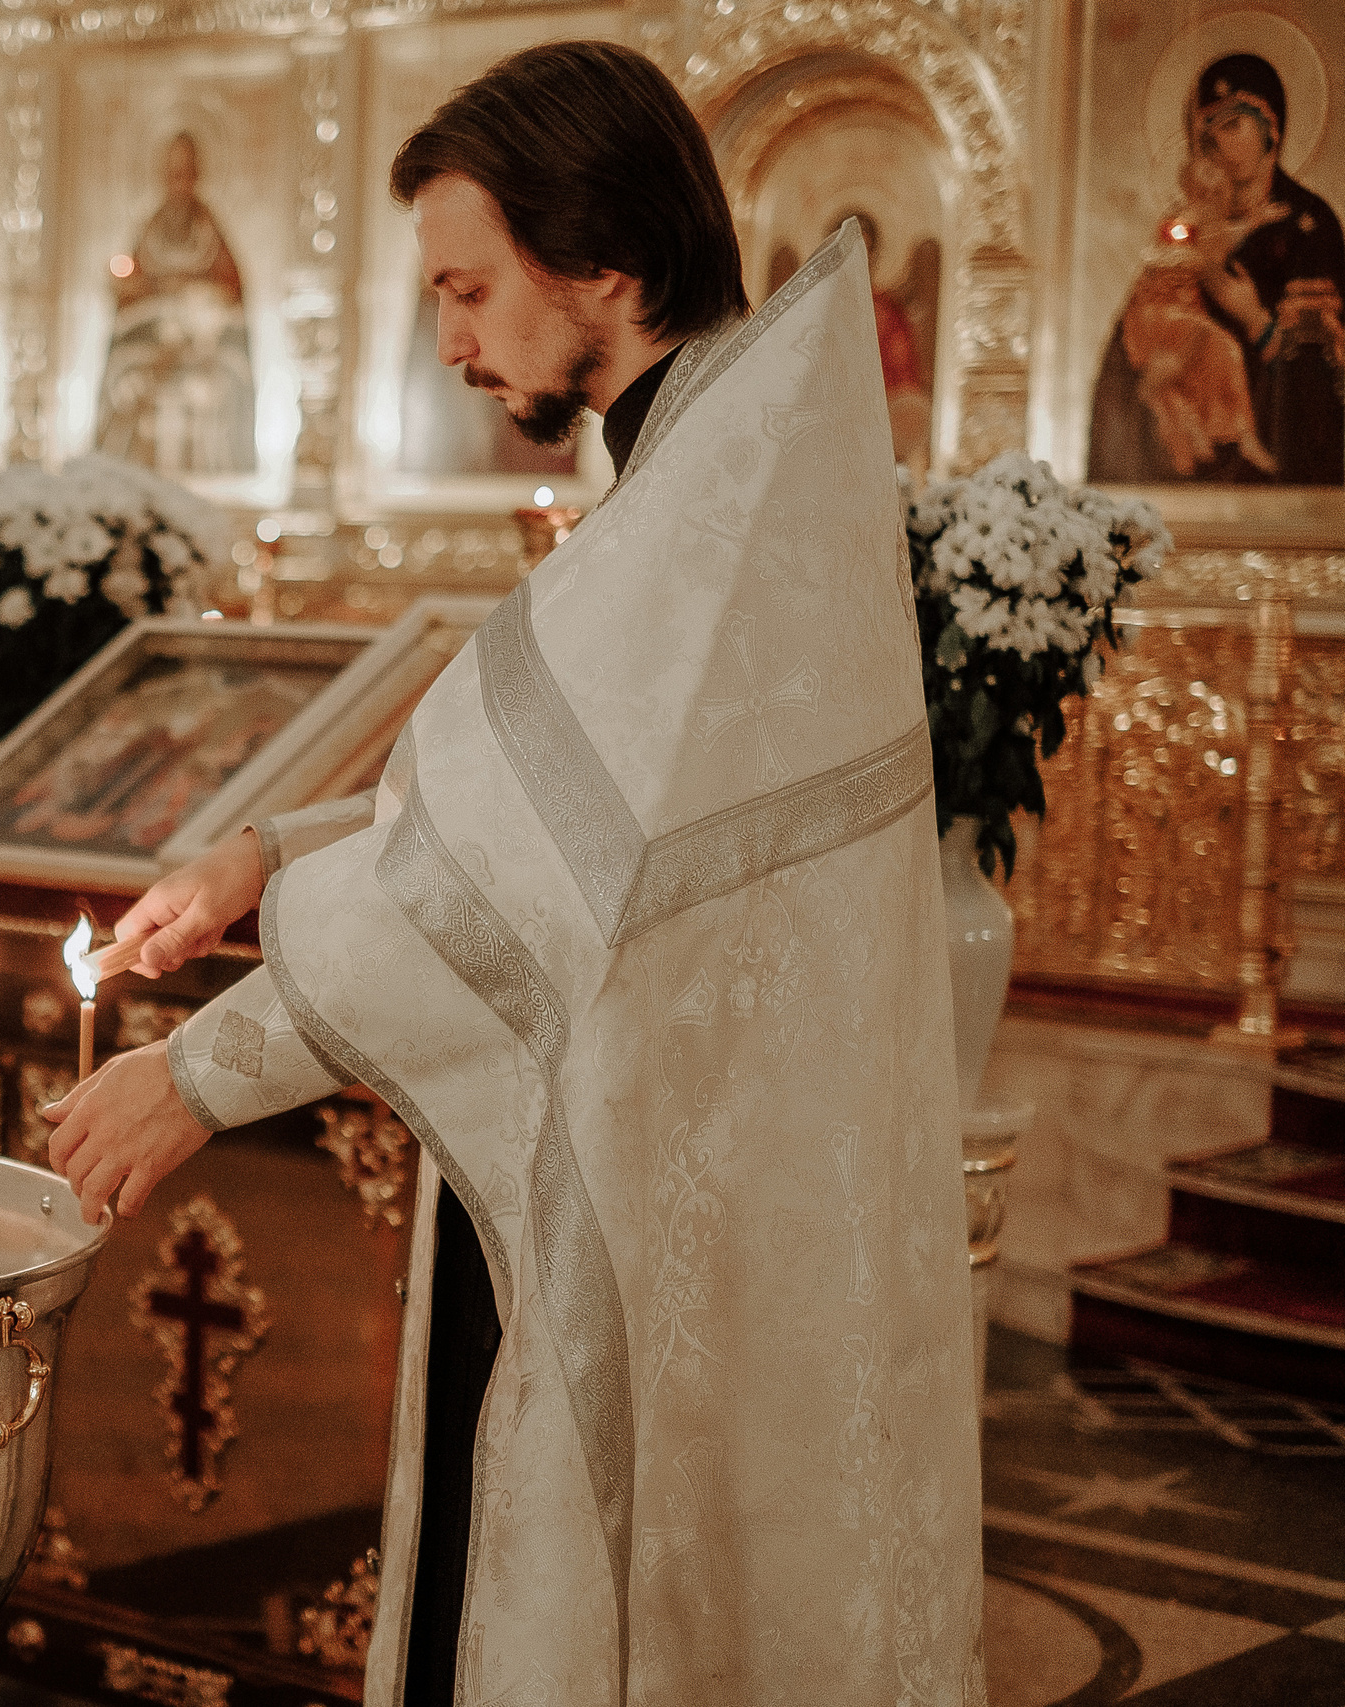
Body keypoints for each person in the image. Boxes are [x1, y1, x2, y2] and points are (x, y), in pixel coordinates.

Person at [47, 40, 982, 1707]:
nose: (455, 338)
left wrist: (197, 1071)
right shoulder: (711, 480)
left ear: (605, 261)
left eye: (471, 287)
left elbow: (499, 890)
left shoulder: (706, 519)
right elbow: (560, 830)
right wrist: (272, 850)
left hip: (656, 1191)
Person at [1090, 51, 1345, 486]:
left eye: (1232, 125)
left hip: (1281, 483)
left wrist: (1254, 318)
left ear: (1272, 129)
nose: (1217, 144)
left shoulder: (1308, 226)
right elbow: (1136, 332)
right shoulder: (1185, 222)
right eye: (1206, 131)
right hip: (1180, 480)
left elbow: (1320, 372)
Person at [95, 131, 257, 475]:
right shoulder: (150, 228)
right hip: (152, 347)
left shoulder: (209, 229)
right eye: (172, 174)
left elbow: (232, 291)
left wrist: (196, 299)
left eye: (185, 174)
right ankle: (124, 475)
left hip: (203, 347)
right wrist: (145, 293)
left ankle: (218, 475)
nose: (178, 183)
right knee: (124, 379)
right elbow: (130, 292)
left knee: (222, 385)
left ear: (197, 176)